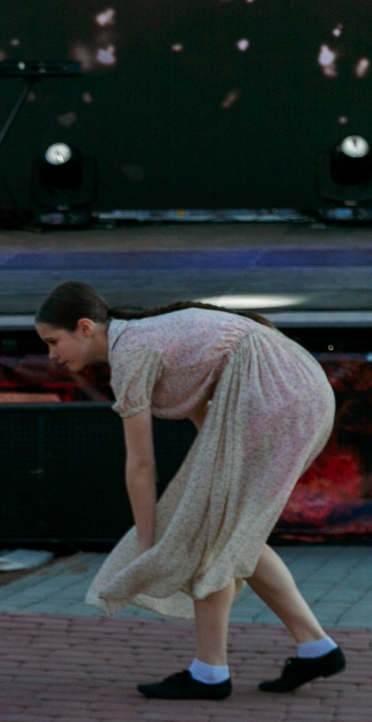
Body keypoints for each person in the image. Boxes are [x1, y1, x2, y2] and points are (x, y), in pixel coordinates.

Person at [36, 283, 345, 699]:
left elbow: (142, 466)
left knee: (209, 532)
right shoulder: (143, 337)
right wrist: (214, 483)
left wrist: (149, 547)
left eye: (54, 342)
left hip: (281, 398)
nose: (51, 355)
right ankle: (315, 646)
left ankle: (210, 673)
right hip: (298, 393)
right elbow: (207, 399)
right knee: (230, 529)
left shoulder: (132, 353)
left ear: (86, 327)